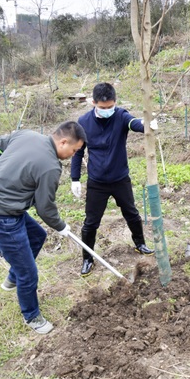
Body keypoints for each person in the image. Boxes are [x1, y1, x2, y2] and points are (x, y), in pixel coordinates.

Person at [0, 121, 87, 334]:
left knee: (37, 236)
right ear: (63, 141)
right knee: (29, 272)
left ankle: (13, 276)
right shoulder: (50, 167)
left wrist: (3, 175)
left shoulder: (26, 135)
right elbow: (45, 208)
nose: (73, 155)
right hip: (0, 217)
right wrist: (61, 226)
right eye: (73, 150)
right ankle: (32, 316)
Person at [71, 82, 158, 277]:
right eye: (103, 108)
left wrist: (146, 125)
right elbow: (77, 152)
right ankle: (87, 258)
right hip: (97, 182)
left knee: (132, 213)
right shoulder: (83, 122)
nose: (107, 111)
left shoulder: (120, 116)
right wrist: (74, 178)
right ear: (93, 103)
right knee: (91, 223)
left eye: (110, 106)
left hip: (120, 179)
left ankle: (140, 243)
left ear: (115, 103)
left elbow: (133, 123)